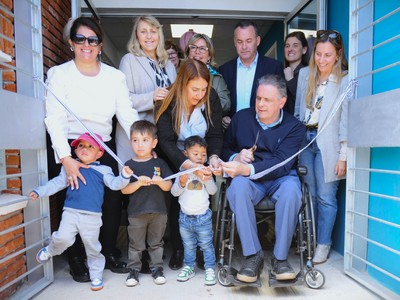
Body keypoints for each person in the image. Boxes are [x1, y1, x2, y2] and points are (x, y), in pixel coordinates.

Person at [44, 17, 139, 282]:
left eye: (93, 39)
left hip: (102, 146)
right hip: (71, 146)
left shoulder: (114, 77)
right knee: (73, 205)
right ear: (71, 43)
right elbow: (55, 119)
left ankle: (107, 252)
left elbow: (127, 115)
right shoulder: (59, 74)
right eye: (80, 39)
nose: (87, 44)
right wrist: (66, 159)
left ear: (100, 44)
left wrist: (142, 145)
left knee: (110, 203)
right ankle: (76, 258)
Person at [220, 74, 305, 283]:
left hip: (281, 178)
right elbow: (224, 149)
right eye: (258, 98)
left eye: (267, 100)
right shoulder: (241, 118)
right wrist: (235, 156)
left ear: (282, 102)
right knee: (237, 188)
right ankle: (253, 256)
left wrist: (246, 168)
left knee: (292, 190)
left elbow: (280, 163)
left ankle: (280, 258)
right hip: (250, 183)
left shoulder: (294, 127)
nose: (260, 104)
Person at [31, 133, 133, 291]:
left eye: (90, 146)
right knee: (63, 238)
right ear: (75, 150)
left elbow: (114, 184)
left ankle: (96, 275)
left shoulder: (103, 169)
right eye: (81, 146)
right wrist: (40, 191)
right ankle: (49, 250)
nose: (84, 149)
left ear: (99, 153)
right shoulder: (70, 167)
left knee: (93, 247)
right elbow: (57, 183)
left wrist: (125, 176)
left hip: (92, 217)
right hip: (71, 212)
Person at [154, 59, 223, 271]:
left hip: (202, 154)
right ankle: (179, 248)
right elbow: (165, 139)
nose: (200, 94)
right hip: (175, 155)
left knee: (205, 196)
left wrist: (212, 157)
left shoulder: (210, 98)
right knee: (178, 201)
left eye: (203, 89)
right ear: (183, 83)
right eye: (195, 89)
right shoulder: (168, 100)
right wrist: (185, 164)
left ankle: (204, 248)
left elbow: (215, 134)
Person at [295, 30, 349, 265]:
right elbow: (298, 112)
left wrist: (343, 156)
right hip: (306, 142)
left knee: (326, 197)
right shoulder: (305, 74)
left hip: (329, 143)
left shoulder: (345, 79)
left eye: (328, 55)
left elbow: (347, 120)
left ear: (337, 55)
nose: (322, 60)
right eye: (318, 54)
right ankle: (310, 240)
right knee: (310, 195)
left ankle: (323, 244)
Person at [117, 15, 177, 164]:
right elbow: (122, 100)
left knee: (161, 181)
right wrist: (152, 97)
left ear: (159, 34)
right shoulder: (129, 60)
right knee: (136, 182)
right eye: (143, 31)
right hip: (138, 135)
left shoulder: (168, 64)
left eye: (153, 31)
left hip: (163, 136)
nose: (149, 36)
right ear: (136, 35)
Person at [122, 120, 173, 287]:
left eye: (145, 140)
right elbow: (124, 190)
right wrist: (137, 183)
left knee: (156, 243)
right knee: (135, 245)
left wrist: (159, 181)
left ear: (154, 143)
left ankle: (157, 268)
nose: (140, 145)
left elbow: (169, 186)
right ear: (130, 142)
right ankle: (133, 270)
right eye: (135, 140)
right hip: (136, 213)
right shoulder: (129, 166)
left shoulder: (159, 164)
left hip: (159, 212)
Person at [219, 20, 284, 128]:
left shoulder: (274, 67)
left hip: (264, 132)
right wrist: (223, 116)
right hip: (233, 132)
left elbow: (280, 103)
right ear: (235, 43)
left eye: (248, 41)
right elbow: (220, 103)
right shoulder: (224, 70)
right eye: (239, 42)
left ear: (257, 41)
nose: (244, 46)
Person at [171, 136, 217, 285]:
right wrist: (182, 183)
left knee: (206, 245)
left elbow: (212, 191)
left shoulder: (206, 172)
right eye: (195, 154)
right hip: (184, 218)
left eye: (203, 154)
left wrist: (207, 179)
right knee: (188, 245)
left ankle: (210, 268)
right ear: (185, 154)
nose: (200, 157)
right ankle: (189, 266)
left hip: (203, 218)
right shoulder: (181, 173)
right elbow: (174, 193)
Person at [185, 33, 231, 118]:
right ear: (188, 53)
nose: (197, 52)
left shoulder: (216, 78)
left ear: (209, 55)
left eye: (202, 49)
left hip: (208, 126)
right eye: (193, 47)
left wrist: (202, 104)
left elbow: (226, 104)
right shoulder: (179, 75)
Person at [283, 31, 308, 115]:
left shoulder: (309, 73)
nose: (290, 49)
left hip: (299, 123)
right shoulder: (280, 72)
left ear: (304, 50)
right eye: (287, 46)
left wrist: (290, 80)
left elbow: (304, 101)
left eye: (295, 45)